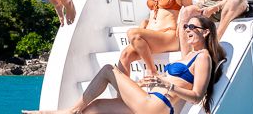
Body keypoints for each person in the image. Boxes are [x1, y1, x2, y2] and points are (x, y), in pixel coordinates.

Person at [23, 16, 227, 114]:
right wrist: (158, 81)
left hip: (156, 106)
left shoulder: (203, 57)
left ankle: (69, 111)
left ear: (206, 32)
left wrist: (167, 85)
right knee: (93, 109)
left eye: (192, 27)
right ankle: (65, 112)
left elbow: (197, 96)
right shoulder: (189, 55)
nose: (187, 29)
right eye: (185, 26)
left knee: (108, 70)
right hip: (150, 100)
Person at [118, 0, 192, 76]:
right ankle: (122, 93)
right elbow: (155, 15)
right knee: (125, 56)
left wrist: (182, 22)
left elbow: (191, 11)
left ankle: (152, 71)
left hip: (169, 35)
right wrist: (146, 22)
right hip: (153, 36)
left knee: (132, 32)